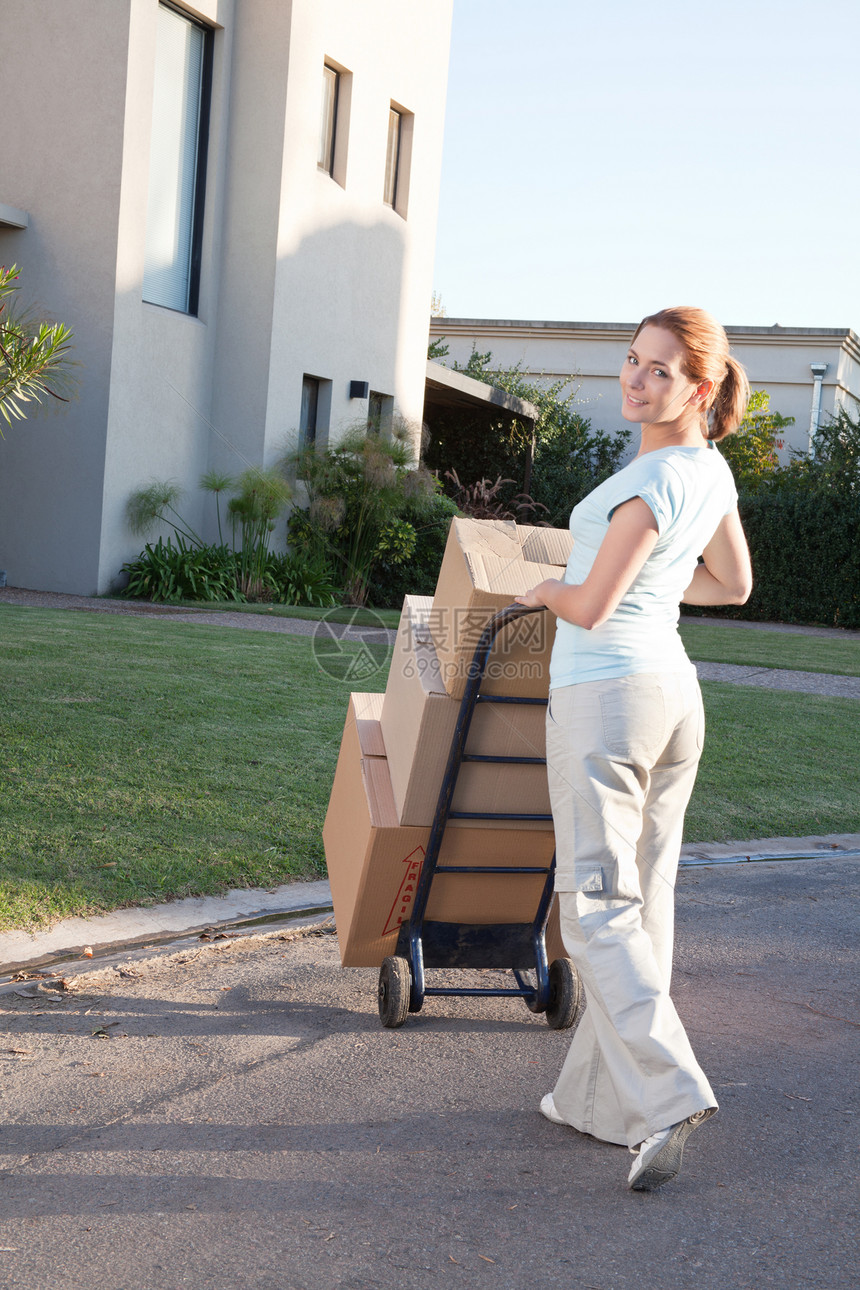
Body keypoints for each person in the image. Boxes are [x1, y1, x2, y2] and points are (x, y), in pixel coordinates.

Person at [515, 306, 753, 1192]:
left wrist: (547, 585)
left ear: (699, 388)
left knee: (594, 912)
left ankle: (668, 1095)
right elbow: (733, 583)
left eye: (658, 371)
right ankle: (597, 1103)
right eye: (631, 360)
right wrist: (649, 576)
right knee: (642, 905)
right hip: (673, 697)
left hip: (607, 696)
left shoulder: (651, 478)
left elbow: (590, 606)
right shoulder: (709, 473)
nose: (635, 379)